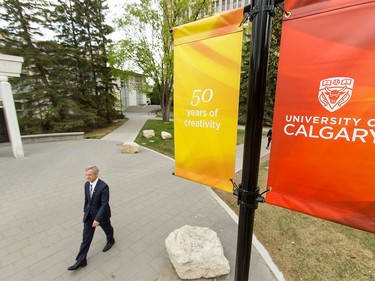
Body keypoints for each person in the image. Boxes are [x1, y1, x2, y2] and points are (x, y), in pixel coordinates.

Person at [68, 165, 115, 270]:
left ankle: (111, 240)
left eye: (89, 175)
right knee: (86, 237)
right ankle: (81, 260)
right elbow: (87, 200)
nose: (87, 177)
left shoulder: (103, 186)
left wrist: (97, 219)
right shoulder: (86, 185)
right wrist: (85, 211)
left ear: (96, 174)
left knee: (107, 228)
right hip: (89, 215)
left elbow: (104, 204)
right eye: (86, 175)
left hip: (101, 215)